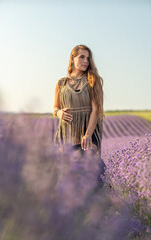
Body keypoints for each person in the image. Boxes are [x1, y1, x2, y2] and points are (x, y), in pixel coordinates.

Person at [53, 45, 105, 185]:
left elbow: (96, 110)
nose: (86, 61)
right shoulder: (61, 83)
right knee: (68, 173)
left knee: (91, 164)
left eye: (88, 58)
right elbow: (55, 107)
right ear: (72, 59)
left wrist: (88, 134)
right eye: (81, 57)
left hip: (88, 130)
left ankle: (103, 198)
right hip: (67, 131)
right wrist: (59, 113)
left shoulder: (93, 80)